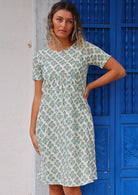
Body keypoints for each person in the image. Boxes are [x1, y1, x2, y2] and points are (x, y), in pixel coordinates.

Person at [29, 1, 126, 195]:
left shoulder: (84, 49)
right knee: (54, 183)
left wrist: (90, 85)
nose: (63, 25)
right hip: (49, 124)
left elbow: (118, 70)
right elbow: (38, 94)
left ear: (74, 25)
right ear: (51, 21)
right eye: (59, 20)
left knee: (71, 185)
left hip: (75, 123)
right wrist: (32, 130)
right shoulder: (41, 57)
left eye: (69, 21)